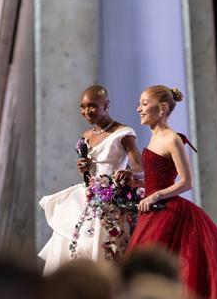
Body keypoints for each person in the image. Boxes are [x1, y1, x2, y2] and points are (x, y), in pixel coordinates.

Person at [126, 85, 217, 299]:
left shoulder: (172, 139)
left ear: (163, 107)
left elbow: (186, 182)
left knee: (163, 271)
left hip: (168, 213)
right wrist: (137, 183)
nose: (139, 109)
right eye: (140, 104)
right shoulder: (154, 137)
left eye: (144, 104)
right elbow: (158, 179)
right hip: (152, 211)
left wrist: (156, 195)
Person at [38, 85, 142, 275]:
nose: (87, 111)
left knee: (103, 251)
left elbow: (139, 167)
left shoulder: (123, 133)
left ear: (107, 105)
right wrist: (84, 170)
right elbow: (89, 177)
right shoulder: (86, 136)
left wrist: (128, 173)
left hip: (113, 200)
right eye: (83, 107)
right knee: (70, 242)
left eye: (92, 106)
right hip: (88, 197)